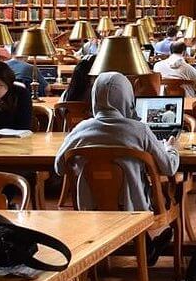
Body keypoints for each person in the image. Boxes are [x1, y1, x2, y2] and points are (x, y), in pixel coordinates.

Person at [54, 73, 179, 259]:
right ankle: (148, 247)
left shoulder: (79, 130)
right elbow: (169, 167)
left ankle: (144, 248)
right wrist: (171, 149)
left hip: (90, 207)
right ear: (127, 98)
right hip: (133, 209)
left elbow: (59, 168)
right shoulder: (139, 130)